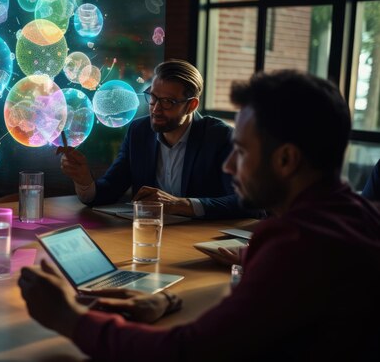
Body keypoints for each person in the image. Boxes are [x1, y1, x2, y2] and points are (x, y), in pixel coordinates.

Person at [20, 70, 380, 360]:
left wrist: (69, 318)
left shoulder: (296, 245)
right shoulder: (358, 215)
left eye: (241, 151)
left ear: (286, 160)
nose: (230, 165)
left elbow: (184, 351)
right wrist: (167, 301)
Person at [58, 59, 251, 219]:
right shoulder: (139, 132)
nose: (156, 109)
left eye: (168, 102)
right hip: (146, 236)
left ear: (191, 105)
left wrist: (181, 205)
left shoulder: (220, 137)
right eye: (153, 97)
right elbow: (109, 189)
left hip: (197, 242)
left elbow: (246, 203)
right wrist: (84, 180)